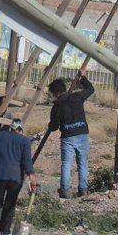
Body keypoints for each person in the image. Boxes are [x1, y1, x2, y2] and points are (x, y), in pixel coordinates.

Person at [0, 118, 38, 235]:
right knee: (10, 203)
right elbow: (26, 161)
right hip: (15, 177)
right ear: (20, 129)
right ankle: (6, 232)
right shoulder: (25, 141)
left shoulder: (0, 136)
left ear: (11, 128)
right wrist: (31, 176)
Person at [47, 68, 95, 198]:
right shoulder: (77, 97)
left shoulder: (56, 106)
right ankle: (83, 189)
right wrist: (83, 78)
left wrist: (51, 125)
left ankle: (65, 190)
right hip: (82, 133)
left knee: (66, 164)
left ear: (56, 93)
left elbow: (54, 127)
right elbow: (91, 89)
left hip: (68, 137)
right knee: (83, 163)